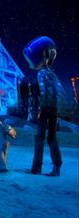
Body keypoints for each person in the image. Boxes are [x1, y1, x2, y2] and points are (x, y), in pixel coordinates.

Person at [23, 35, 66, 176]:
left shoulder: (41, 73)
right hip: (53, 109)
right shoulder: (53, 75)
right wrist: (57, 111)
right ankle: (57, 167)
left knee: (40, 137)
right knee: (52, 137)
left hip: (45, 108)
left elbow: (42, 90)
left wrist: (41, 108)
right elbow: (61, 92)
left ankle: (36, 168)